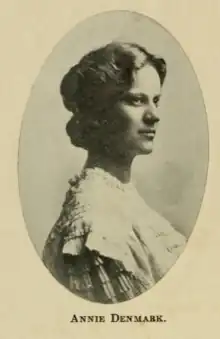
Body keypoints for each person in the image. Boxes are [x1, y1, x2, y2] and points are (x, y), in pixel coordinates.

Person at [42, 41, 186, 303]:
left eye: (155, 100)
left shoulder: (123, 199)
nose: (154, 115)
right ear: (99, 113)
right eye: (136, 100)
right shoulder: (95, 224)